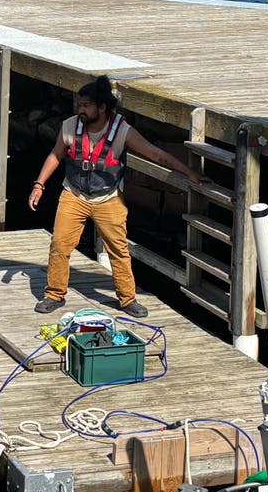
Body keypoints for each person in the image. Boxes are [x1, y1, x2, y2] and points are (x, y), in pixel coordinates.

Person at [28, 76, 199, 318]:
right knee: (59, 245)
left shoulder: (122, 131)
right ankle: (54, 294)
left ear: (102, 108)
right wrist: (39, 185)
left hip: (108, 198)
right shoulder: (69, 126)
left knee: (118, 250)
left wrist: (191, 173)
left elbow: (155, 154)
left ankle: (127, 299)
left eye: (86, 106)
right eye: (79, 105)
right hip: (74, 194)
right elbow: (56, 155)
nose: (81, 110)